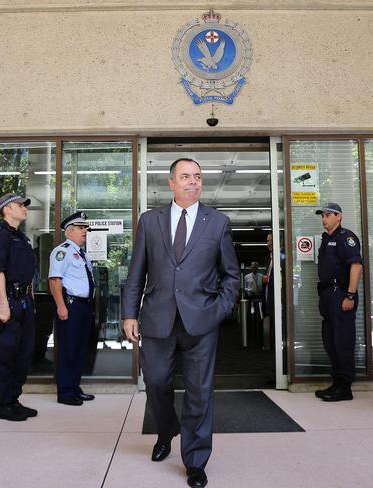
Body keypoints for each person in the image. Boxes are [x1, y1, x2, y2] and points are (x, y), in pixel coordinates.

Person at [121, 158, 240, 488]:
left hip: (201, 322)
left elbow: (232, 276)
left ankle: (196, 459)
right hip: (158, 319)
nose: (193, 182)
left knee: (199, 392)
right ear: (171, 182)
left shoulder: (217, 222)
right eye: (185, 176)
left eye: (198, 176)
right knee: (157, 383)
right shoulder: (150, 221)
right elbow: (136, 273)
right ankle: (166, 429)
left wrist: (218, 311)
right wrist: (129, 314)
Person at [0, 193, 38, 421]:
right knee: (6, 353)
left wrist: (31, 299)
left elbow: (29, 274)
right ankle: (3, 404)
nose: (24, 208)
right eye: (20, 205)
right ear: (7, 209)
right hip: (10, 300)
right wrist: (4, 305)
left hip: (25, 300)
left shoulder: (23, 238)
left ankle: (14, 399)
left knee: (24, 353)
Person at [314, 203, 363, 402]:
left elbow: (356, 266)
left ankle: (345, 386)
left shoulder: (346, 238)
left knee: (342, 340)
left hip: (340, 293)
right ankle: (337, 382)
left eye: (327, 215)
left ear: (339, 217)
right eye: (322, 215)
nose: (324, 218)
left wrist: (350, 295)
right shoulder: (327, 239)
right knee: (330, 340)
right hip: (327, 295)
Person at [48, 211, 96, 406]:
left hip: (83, 307)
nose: (85, 231)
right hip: (70, 305)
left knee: (79, 349)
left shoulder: (81, 254)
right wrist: (61, 305)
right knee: (68, 349)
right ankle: (66, 393)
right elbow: (54, 280)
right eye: (81, 228)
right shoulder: (63, 251)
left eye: (85, 228)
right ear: (69, 232)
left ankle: (75, 388)